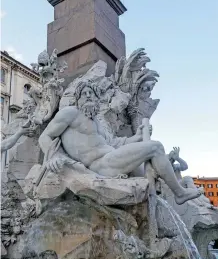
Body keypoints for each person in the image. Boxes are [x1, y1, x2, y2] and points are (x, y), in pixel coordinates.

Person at [39, 80, 201, 205]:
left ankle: (167, 199)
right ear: (78, 99)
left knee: (153, 172)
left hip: (112, 159)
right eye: (84, 93)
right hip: (99, 165)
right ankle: (180, 193)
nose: (88, 95)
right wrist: (52, 156)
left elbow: (115, 143)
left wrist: (137, 136)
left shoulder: (98, 122)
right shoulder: (70, 113)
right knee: (156, 147)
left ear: (97, 99)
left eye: (91, 93)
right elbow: (45, 136)